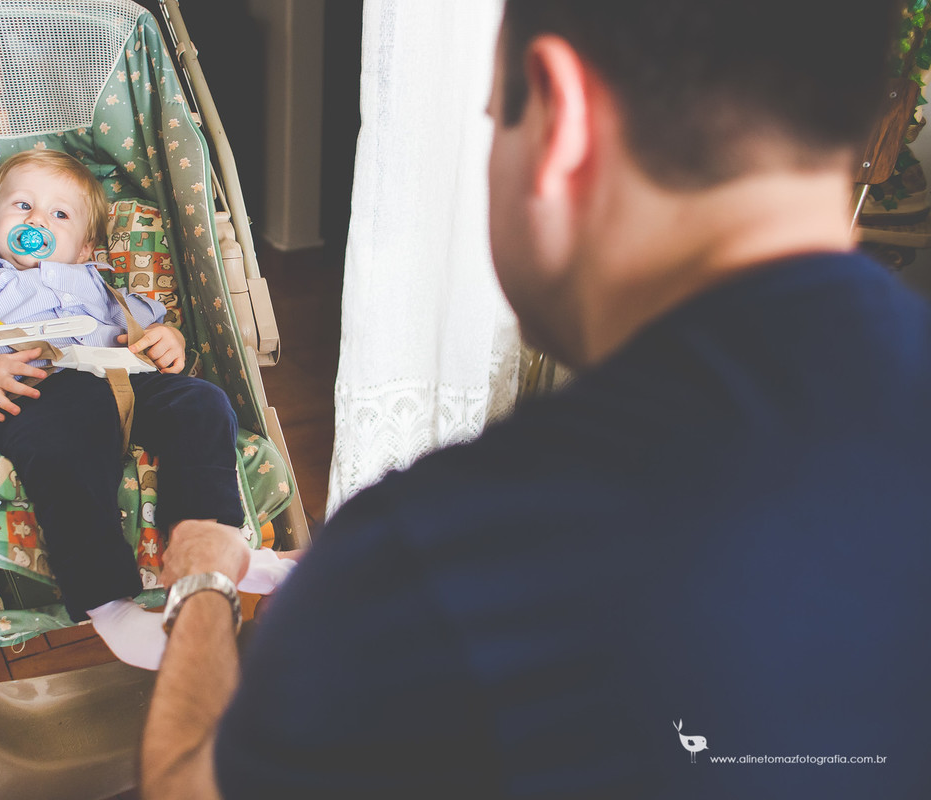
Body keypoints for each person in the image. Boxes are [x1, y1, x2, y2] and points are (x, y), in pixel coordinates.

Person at [142, 0, 931, 797]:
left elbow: (188, 789)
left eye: (493, 120)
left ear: (561, 119)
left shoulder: (444, 550)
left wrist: (204, 588)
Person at [0, 149, 246, 667]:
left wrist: (168, 341)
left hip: (124, 384)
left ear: (86, 247)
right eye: (22, 206)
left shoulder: (99, 285)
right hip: (36, 399)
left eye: (59, 215)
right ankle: (110, 605)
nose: (37, 222)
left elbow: (152, 333)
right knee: (65, 444)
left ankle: (203, 540)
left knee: (202, 401)